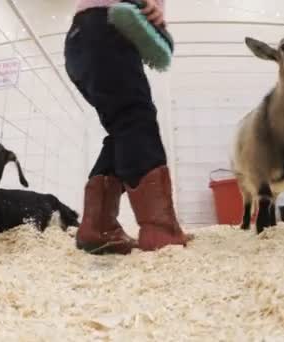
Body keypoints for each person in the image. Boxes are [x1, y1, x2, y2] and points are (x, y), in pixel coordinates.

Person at [65, 0, 192, 254]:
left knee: (123, 127)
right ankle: (160, 229)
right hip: (106, 25)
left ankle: (98, 228)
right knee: (136, 120)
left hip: (83, 37)